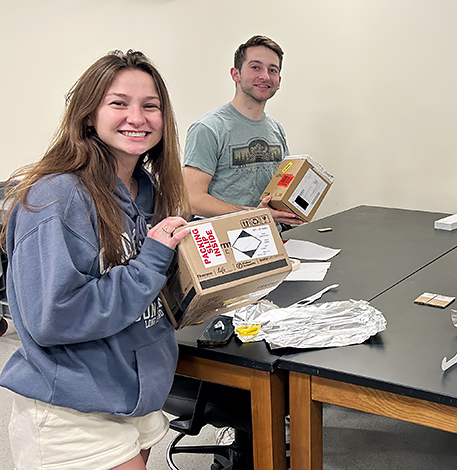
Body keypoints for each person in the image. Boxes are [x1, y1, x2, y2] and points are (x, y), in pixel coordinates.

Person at [0, 50, 191, 470]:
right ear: (89, 115)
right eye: (119, 103)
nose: (137, 118)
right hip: (73, 403)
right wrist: (152, 260)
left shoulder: (150, 192)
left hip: (133, 392)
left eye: (150, 106)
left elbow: (148, 295)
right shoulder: (57, 196)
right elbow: (54, 317)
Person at [182, 35, 303, 227]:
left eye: (272, 70)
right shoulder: (208, 128)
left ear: (278, 81)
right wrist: (255, 214)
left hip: (273, 236)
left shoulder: (275, 129)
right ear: (235, 74)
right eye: (255, 67)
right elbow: (192, 200)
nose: (265, 76)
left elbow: (280, 189)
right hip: (225, 241)